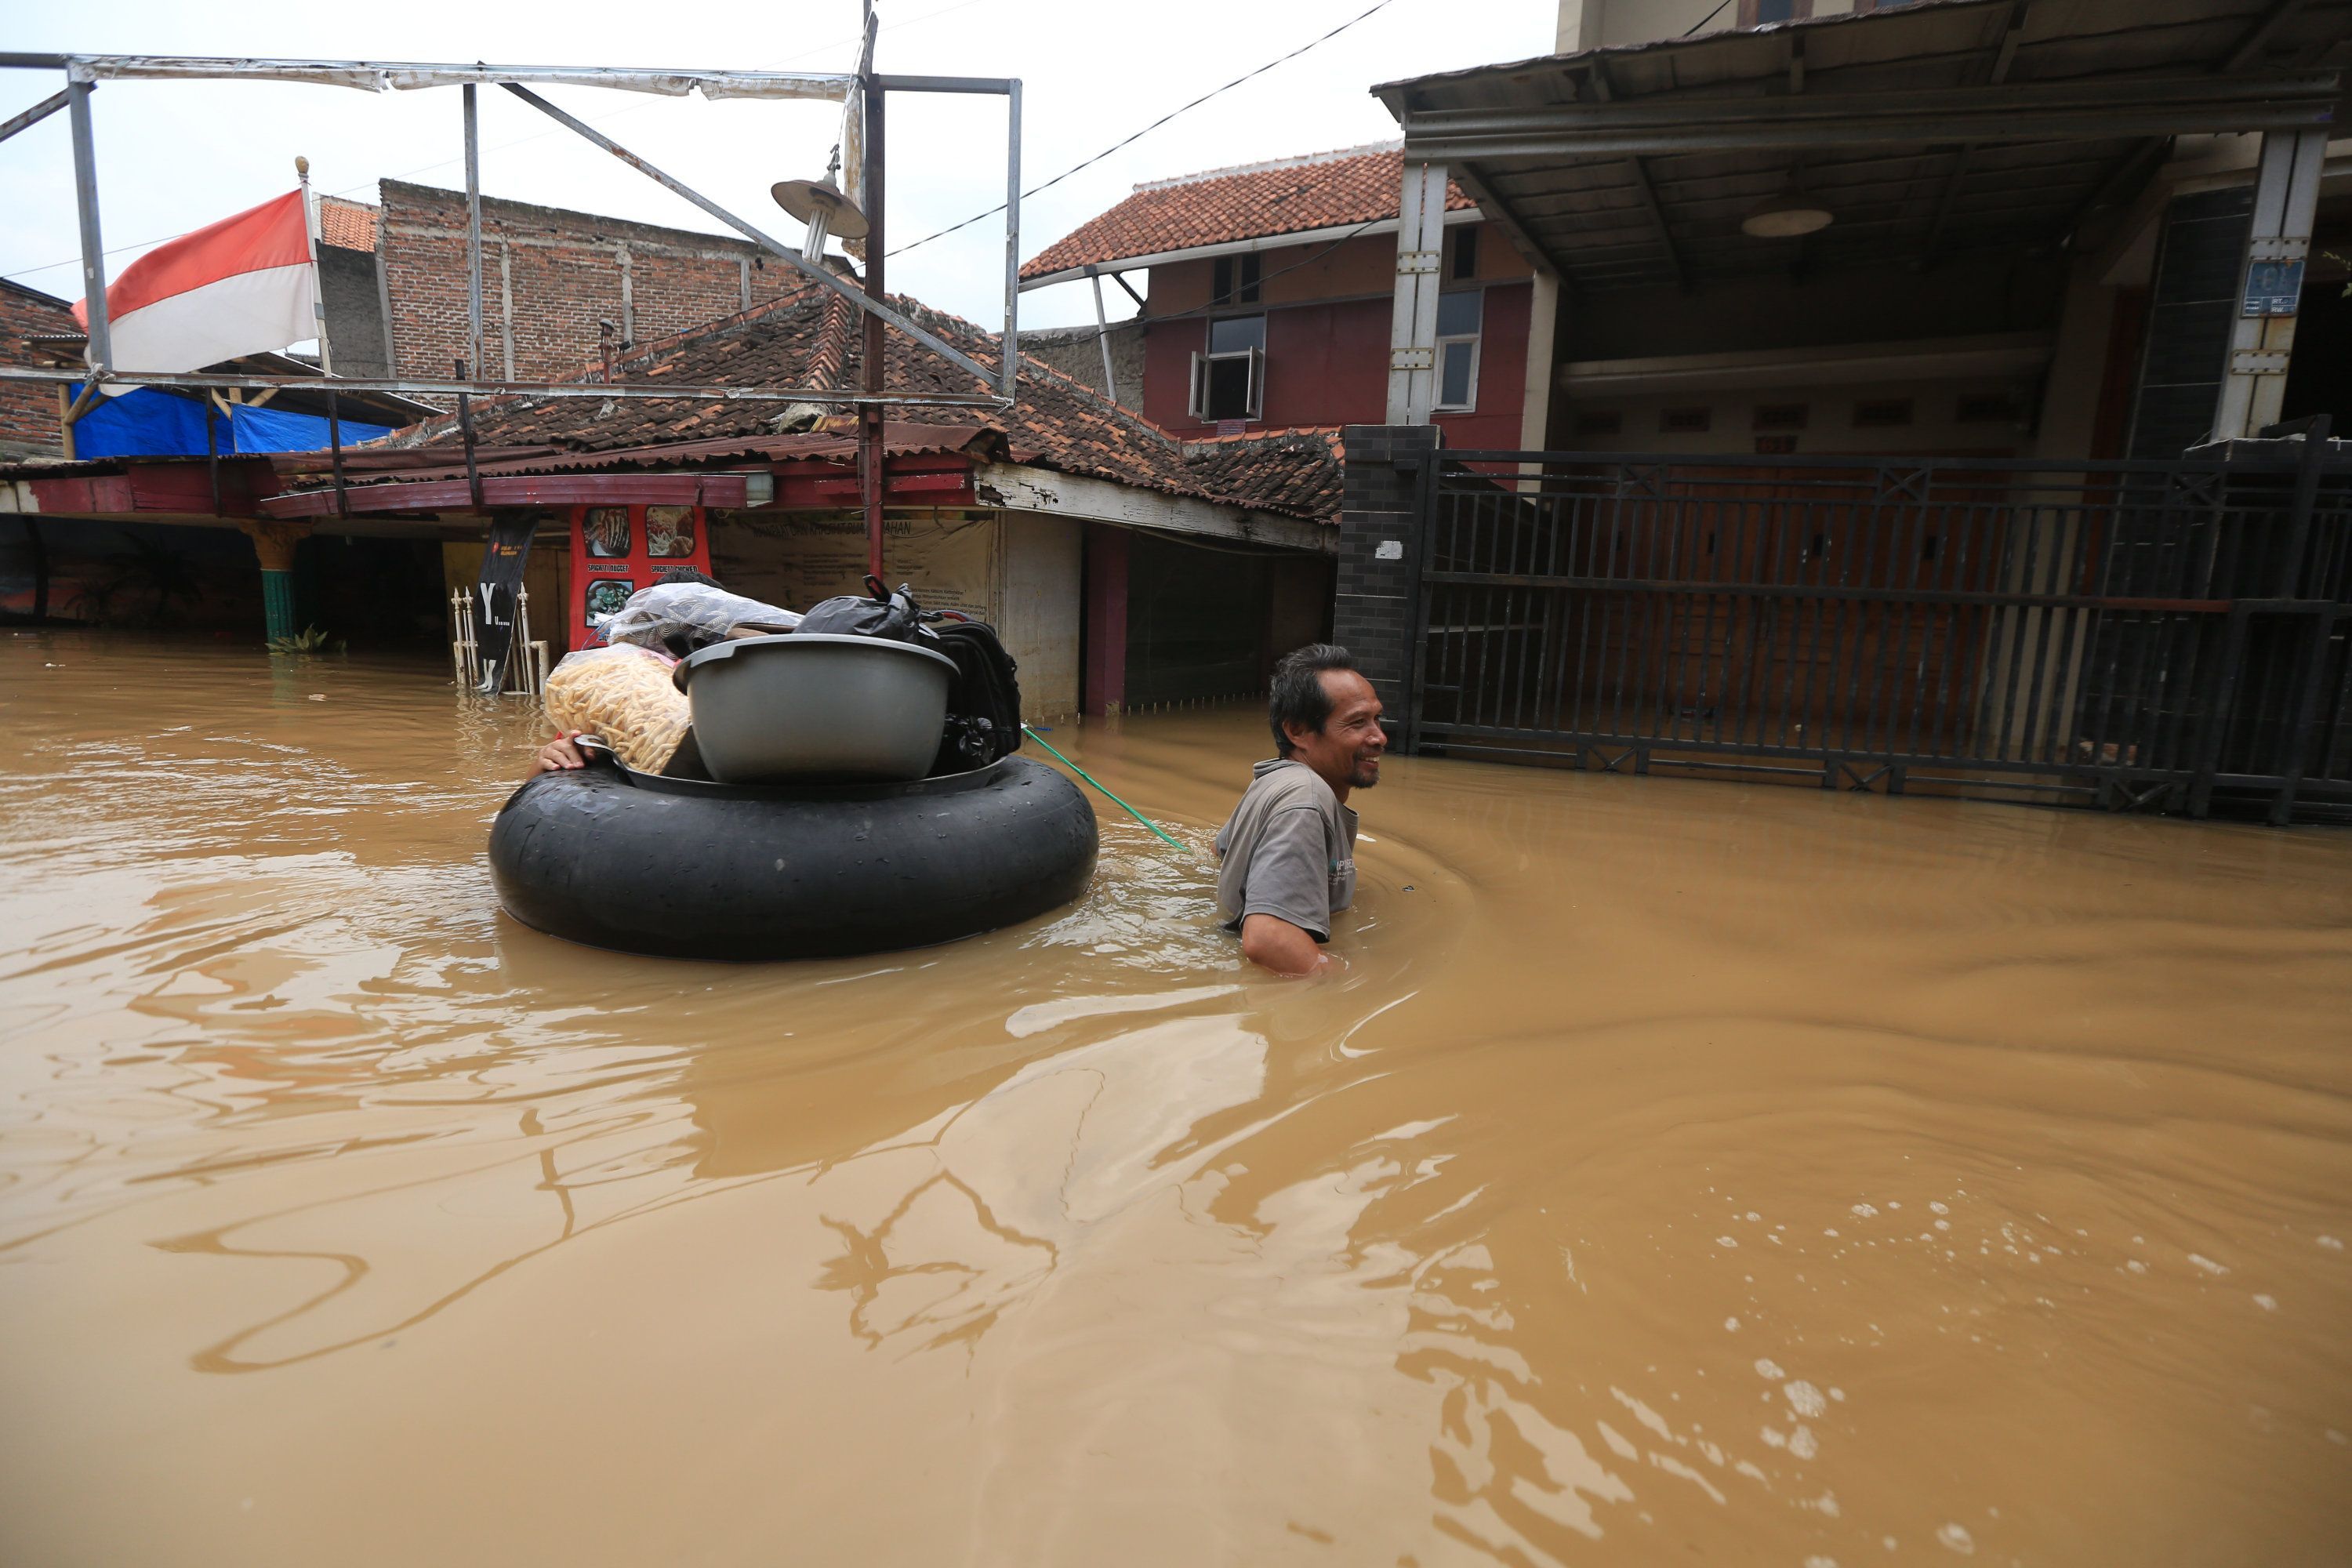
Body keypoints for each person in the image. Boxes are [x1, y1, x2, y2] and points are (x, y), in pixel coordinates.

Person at [1214, 644, 1386, 975]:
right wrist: (1355, 984)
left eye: (1377, 719)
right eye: (1357, 723)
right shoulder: (1305, 801)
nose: (1379, 737)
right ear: (1297, 731)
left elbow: (1219, 849)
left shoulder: (1275, 777)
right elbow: (1267, 939)